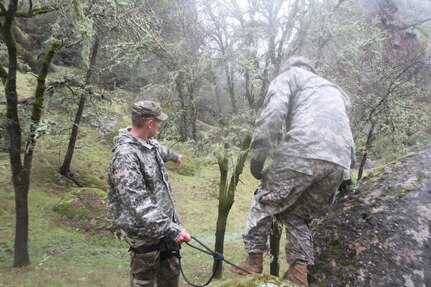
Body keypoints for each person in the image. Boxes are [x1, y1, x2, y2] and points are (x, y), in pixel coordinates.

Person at [229, 56, 355, 286]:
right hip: (338, 162)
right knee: (298, 216)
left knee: (264, 201)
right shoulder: (333, 89)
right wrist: (346, 173)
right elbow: (342, 127)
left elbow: (273, 112)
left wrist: (257, 158)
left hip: (303, 149)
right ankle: (299, 276)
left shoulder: (289, 76)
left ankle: (253, 260)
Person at [107, 100, 191, 287]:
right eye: (158, 121)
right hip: (145, 235)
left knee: (170, 278)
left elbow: (161, 150)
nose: (160, 125)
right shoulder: (125, 156)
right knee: (144, 282)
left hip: (165, 231)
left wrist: (175, 157)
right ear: (150, 123)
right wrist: (173, 229)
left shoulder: (149, 143)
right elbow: (138, 204)